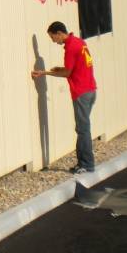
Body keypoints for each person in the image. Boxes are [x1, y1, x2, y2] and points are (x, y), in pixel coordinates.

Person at [31, 21, 98, 174]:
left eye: (53, 37)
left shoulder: (70, 48)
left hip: (81, 92)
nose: (54, 41)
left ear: (59, 33)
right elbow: (74, 68)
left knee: (83, 130)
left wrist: (44, 73)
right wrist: (59, 68)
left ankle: (87, 164)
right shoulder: (79, 42)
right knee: (82, 128)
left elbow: (67, 73)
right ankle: (83, 163)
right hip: (90, 90)